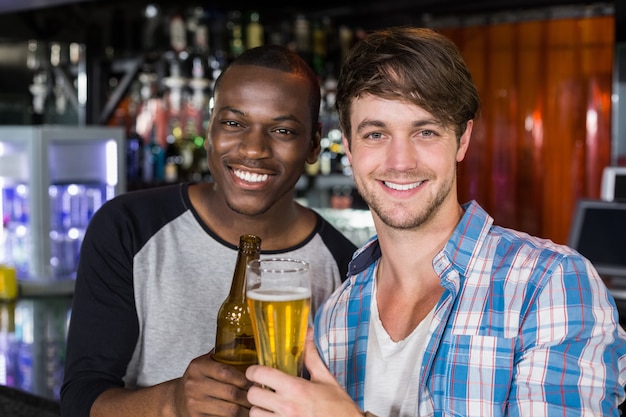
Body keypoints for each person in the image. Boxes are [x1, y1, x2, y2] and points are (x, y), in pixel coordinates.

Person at [245, 27, 626, 416]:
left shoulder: (550, 284)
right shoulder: (335, 315)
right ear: (349, 147)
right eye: (376, 133)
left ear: (461, 140)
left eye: (425, 131)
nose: (400, 162)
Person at [60, 45, 357, 417]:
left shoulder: (347, 267)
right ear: (210, 127)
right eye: (234, 123)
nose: (253, 149)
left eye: (282, 130)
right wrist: (172, 401)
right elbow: (79, 402)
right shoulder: (129, 227)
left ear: (313, 143)